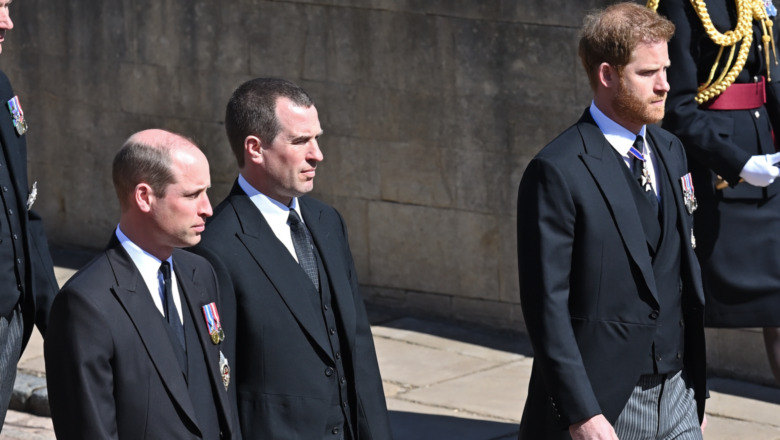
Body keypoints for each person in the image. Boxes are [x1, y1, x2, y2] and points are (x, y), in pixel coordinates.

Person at [516, 3, 707, 439]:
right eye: (647, 73)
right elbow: (546, 307)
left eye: (666, 69)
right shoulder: (558, 170)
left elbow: (682, 275)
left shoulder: (672, 151)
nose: (665, 86)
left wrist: (696, 389)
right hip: (608, 403)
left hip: (678, 392)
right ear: (607, 75)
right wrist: (580, 412)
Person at [192, 78, 392, 440]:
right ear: (255, 148)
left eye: (317, 138)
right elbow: (219, 383)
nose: (317, 154)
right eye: (300, 141)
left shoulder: (327, 222)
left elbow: (359, 348)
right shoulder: (215, 247)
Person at [44, 129, 237, 439]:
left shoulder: (201, 274)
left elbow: (221, 399)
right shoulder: (87, 304)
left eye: (207, 192)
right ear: (145, 197)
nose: (208, 208)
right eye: (191, 195)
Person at [651, 0, 780, 384]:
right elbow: (675, 107)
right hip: (714, 177)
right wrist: (736, 162)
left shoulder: (754, 3)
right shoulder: (683, 5)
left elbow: (769, 81)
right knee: (692, 312)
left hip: (766, 175)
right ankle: (688, 422)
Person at [0, 0, 59, 430]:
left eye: (8, 6)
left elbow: (21, 208)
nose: (9, 22)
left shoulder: (3, 87)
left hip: (9, 320)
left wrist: (53, 315)